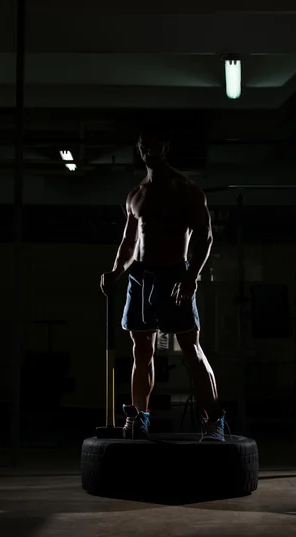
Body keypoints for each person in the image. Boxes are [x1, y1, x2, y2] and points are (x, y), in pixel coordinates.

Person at [100, 125, 226, 442]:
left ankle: (214, 422)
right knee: (141, 350)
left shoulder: (186, 190)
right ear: (139, 148)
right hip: (140, 277)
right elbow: (129, 242)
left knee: (191, 351)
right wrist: (116, 272)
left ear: (165, 146)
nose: (148, 150)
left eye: (154, 145)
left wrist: (191, 276)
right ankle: (140, 417)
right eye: (143, 145)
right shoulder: (136, 194)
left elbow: (205, 237)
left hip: (174, 275)